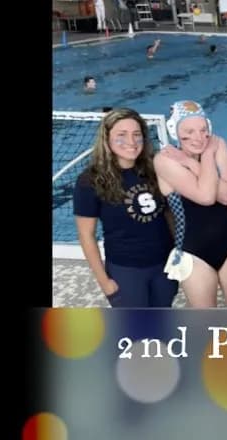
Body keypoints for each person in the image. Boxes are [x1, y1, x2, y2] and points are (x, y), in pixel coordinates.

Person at [73, 108, 178, 307]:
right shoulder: (90, 180)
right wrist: (104, 282)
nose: (131, 141)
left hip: (164, 266)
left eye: (136, 134)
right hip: (126, 270)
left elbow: (170, 214)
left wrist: (178, 254)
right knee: (136, 332)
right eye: (122, 135)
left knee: (161, 324)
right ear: (107, 138)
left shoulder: (155, 168)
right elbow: (86, 236)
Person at [154, 100, 227, 308]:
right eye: (188, 131)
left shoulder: (217, 143)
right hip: (194, 252)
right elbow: (207, 196)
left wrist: (191, 162)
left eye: (203, 130)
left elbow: (226, 196)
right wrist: (208, 155)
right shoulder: (165, 160)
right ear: (174, 131)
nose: (198, 138)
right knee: (205, 321)